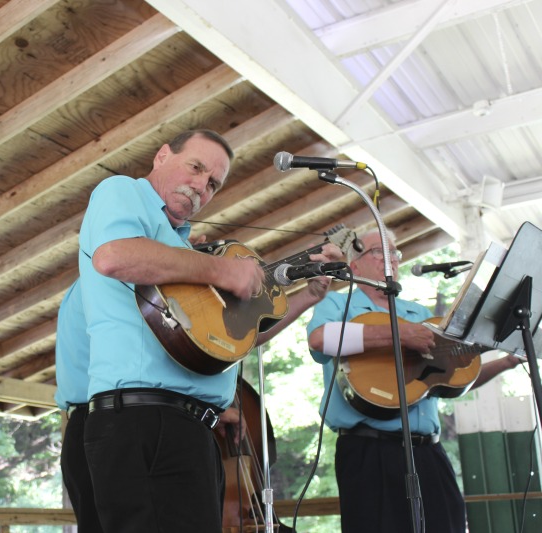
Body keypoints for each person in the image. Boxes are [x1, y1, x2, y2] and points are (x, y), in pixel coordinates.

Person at [58, 128, 342, 532]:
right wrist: (223, 269)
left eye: (213, 183)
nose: (200, 186)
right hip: (144, 419)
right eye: (195, 167)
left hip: (188, 426)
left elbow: (235, 339)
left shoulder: (182, 249)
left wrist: (308, 292)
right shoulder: (123, 191)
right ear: (161, 156)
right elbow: (114, 256)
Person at [306, 228, 523, 533]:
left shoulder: (418, 313)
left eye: (394, 252)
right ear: (354, 265)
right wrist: (399, 334)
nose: (391, 259)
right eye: (379, 251)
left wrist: (507, 361)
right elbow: (319, 340)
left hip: (428, 453)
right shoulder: (339, 306)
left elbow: (449, 381)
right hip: (370, 452)